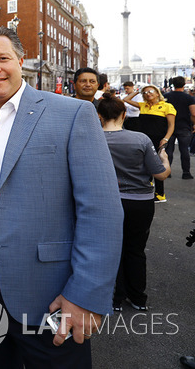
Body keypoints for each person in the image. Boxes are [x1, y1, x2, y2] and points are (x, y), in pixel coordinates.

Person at [0, 26, 122, 368]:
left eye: (2, 58)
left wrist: (85, 295)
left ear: (21, 61)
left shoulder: (71, 114)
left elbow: (101, 212)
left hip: (48, 287)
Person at [98, 93, 169, 313]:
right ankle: (138, 297)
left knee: (113, 249)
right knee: (136, 249)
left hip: (107, 201)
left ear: (99, 115)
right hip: (140, 202)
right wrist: (165, 159)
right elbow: (160, 175)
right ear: (124, 113)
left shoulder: (93, 139)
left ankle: (115, 298)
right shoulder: (140, 139)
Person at [122, 84, 176, 202]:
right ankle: (148, 189)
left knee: (157, 165)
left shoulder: (167, 106)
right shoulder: (143, 106)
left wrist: (166, 139)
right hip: (144, 140)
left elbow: (171, 125)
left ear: (157, 93)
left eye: (151, 91)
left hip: (159, 139)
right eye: (145, 92)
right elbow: (126, 99)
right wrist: (137, 91)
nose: (148, 94)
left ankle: (160, 194)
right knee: (144, 165)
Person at [163, 76, 195, 179]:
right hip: (184, 126)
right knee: (184, 150)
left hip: (168, 127)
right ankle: (186, 173)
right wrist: (194, 124)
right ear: (184, 84)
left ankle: (167, 172)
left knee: (168, 150)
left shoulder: (166, 96)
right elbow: (193, 113)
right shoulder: (189, 98)